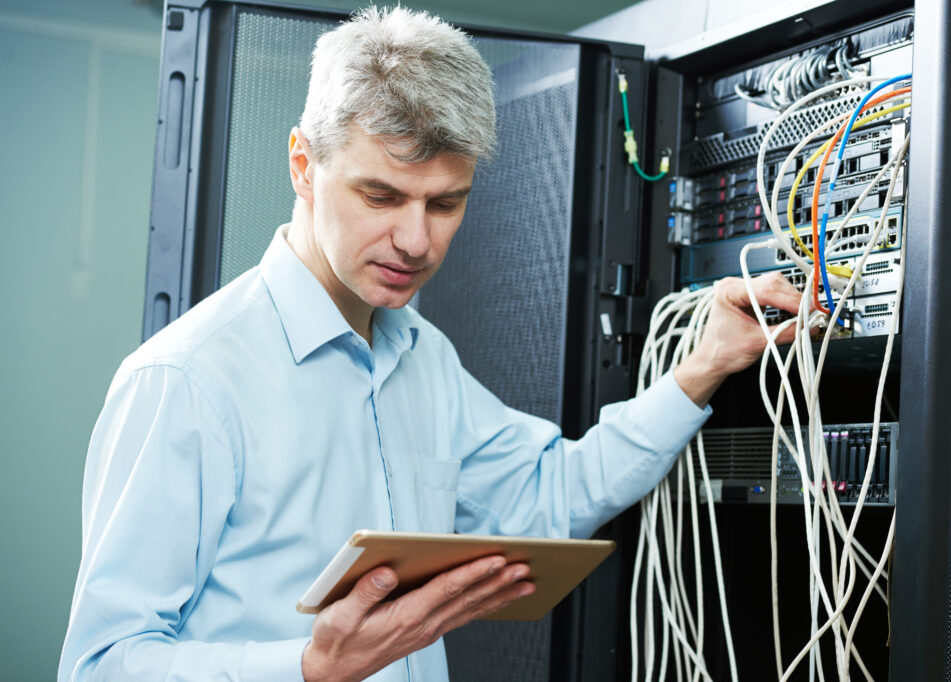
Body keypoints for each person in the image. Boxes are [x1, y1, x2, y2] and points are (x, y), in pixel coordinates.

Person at [58, 6, 802, 682]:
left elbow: (547, 498)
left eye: (446, 203)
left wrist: (704, 367)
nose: (416, 241)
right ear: (303, 166)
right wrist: (308, 667)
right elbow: (101, 664)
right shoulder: (186, 380)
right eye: (381, 196)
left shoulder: (422, 358)